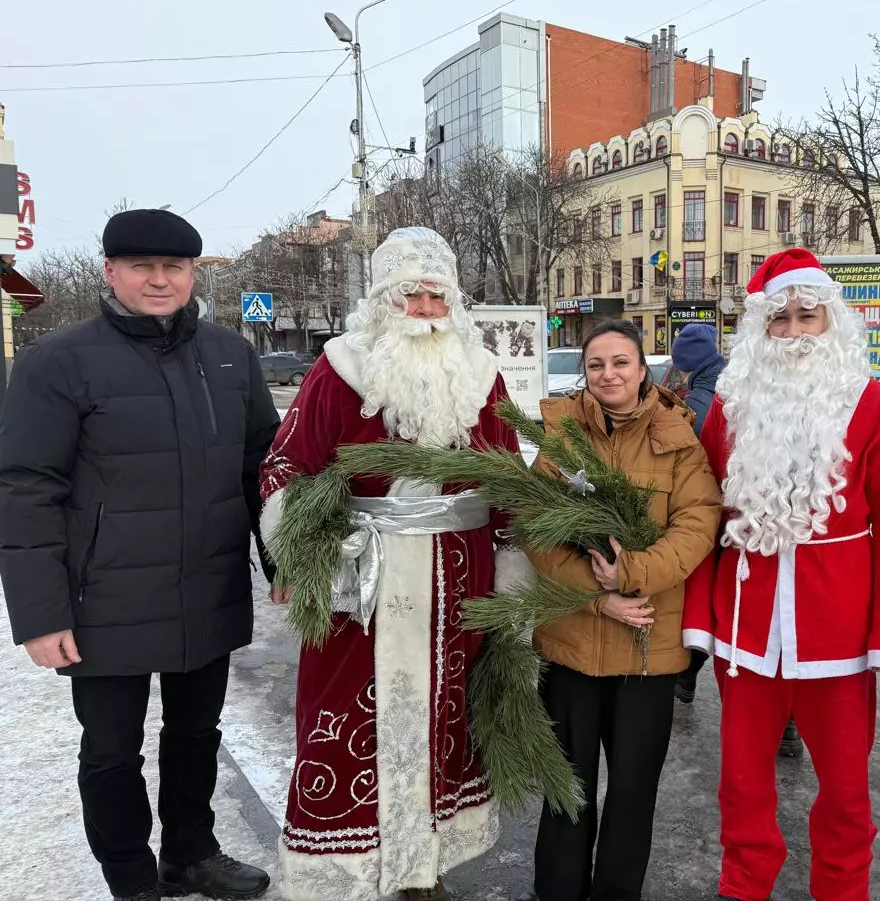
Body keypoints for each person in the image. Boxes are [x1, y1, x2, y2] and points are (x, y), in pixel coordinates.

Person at [0, 209, 278, 901]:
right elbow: (26, 488)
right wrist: (40, 613)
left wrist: (284, 564)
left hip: (207, 584)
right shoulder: (57, 362)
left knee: (196, 731)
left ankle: (191, 854)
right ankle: (131, 880)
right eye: (141, 266)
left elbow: (264, 470)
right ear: (110, 271)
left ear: (193, 272)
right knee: (111, 750)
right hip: (104, 596)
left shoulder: (230, 355)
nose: (159, 280)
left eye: (173, 267)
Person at [258, 228, 532, 901]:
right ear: (382, 299)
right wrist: (301, 553)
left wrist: (513, 558)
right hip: (363, 586)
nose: (425, 307)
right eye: (410, 293)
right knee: (350, 715)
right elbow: (289, 465)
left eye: (437, 294)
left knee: (447, 718)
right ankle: (349, 870)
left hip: (458, 587)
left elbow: (506, 475)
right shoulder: (339, 369)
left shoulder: (480, 372)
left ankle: (423, 870)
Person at [682, 248, 880, 901]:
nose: (792, 332)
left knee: (845, 789)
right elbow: (701, 517)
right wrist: (699, 620)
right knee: (741, 783)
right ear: (760, 329)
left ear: (831, 323)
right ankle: (743, 886)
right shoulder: (730, 407)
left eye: (806, 317)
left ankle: (842, 890)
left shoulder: (872, 405)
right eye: (779, 319)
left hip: (839, 631)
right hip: (746, 626)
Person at [516, 318, 721, 901]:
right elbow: (534, 527)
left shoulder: (678, 436)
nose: (609, 374)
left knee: (633, 791)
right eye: (596, 364)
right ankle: (557, 891)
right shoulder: (563, 437)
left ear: (642, 368)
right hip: (572, 644)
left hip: (648, 650)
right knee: (567, 787)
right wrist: (597, 595)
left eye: (620, 362)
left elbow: (698, 523)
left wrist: (632, 573)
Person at [666, 324, 806, 756]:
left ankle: (690, 673)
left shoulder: (705, 399)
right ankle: (787, 722)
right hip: (755, 537)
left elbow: (701, 472)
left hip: (747, 536)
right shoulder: (729, 390)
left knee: (756, 618)